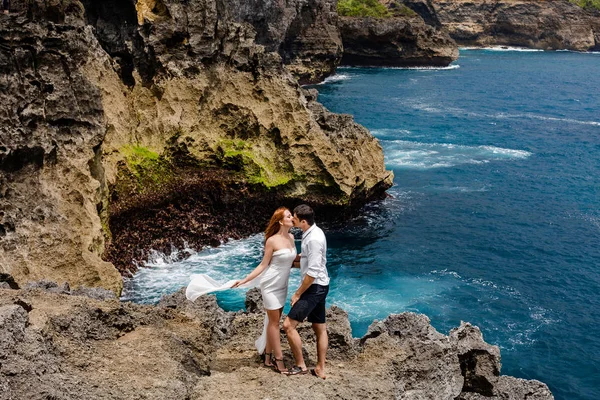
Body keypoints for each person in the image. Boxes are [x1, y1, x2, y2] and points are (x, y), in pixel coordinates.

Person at [232, 207, 296, 374]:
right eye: (289, 216)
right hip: (270, 285)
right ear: (281, 221)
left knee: (273, 322)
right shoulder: (272, 241)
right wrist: (245, 280)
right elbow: (263, 264)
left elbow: (291, 260)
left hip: (283, 285)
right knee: (275, 324)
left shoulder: (292, 237)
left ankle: (267, 356)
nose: (292, 217)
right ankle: (278, 360)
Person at [282, 204, 330, 379]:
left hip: (314, 288)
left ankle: (300, 365)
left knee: (288, 325)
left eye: (294, 218)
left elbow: (312, 273)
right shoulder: (310, 233)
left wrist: (298, 293)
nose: (292, 220)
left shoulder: (314, 239)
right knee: (320, 327)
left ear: (303, 221)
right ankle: (320, 368)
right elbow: (307, 259)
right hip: (320, 286)